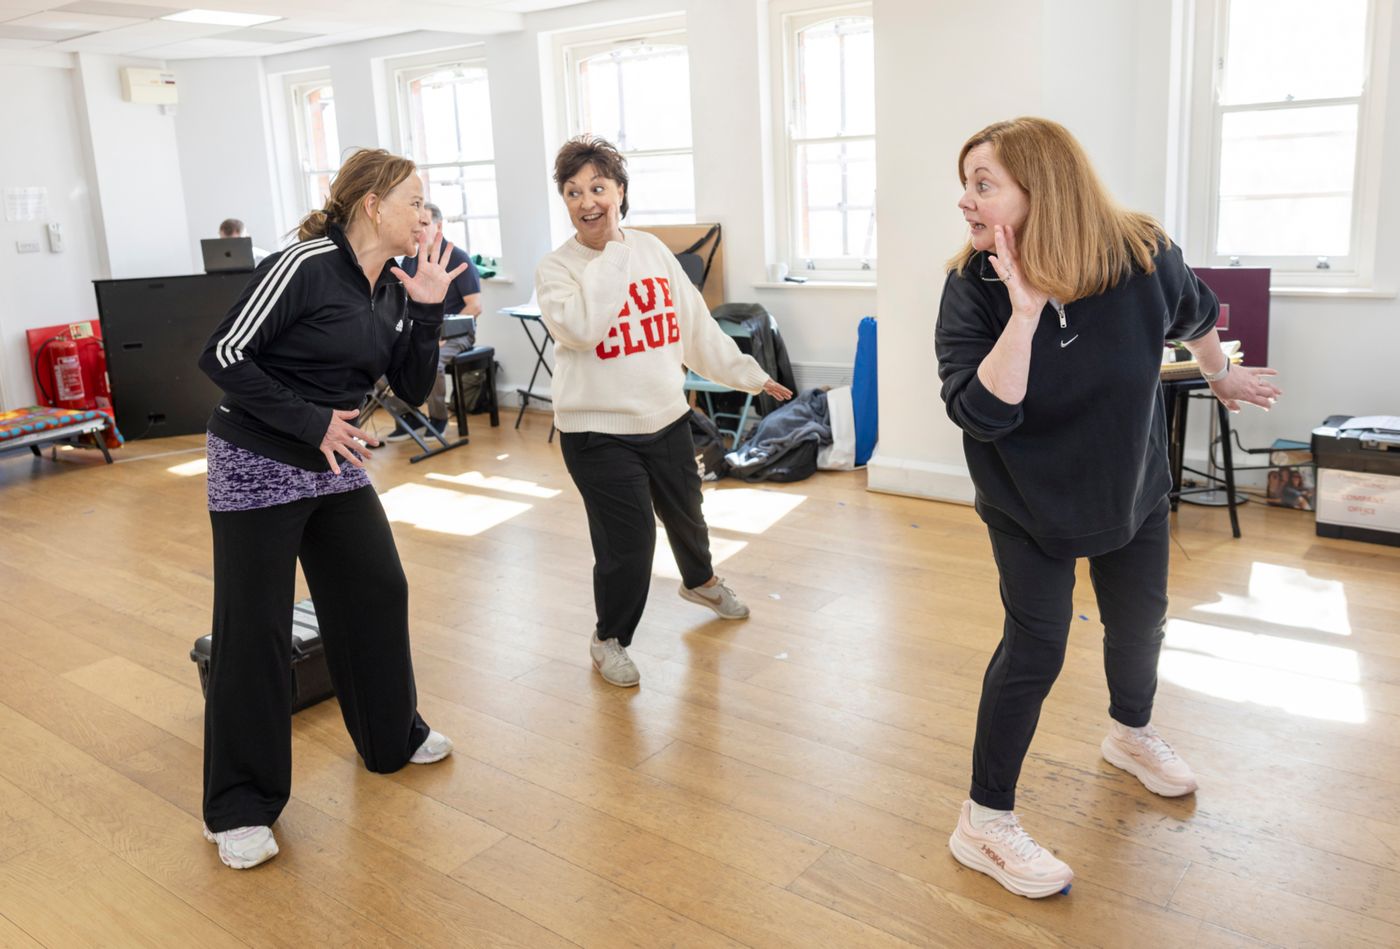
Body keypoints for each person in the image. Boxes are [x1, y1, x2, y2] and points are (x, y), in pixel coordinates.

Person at [934, 117, 1282, 899]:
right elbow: (983, 413)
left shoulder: (1140, 253)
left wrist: (1219, 374)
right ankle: (983, 821)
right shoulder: (974, 288)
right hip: (1027, 501)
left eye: (982, 183)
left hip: (1129, 486)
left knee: (1140, 623)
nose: (964, 199)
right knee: (1036, 649)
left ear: (1041, 189)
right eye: (966, 183)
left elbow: (1196, 310)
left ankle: (1130, 732)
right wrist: (1024, 314)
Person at [196, 148, 466, 870]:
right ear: (374, 205)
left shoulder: (390, 285)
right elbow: (221, 354)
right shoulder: (307, 263)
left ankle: (390, 737)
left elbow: (409, 387)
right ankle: (238, 806)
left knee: (377, 589)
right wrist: (313, 421)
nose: (426, 214)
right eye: (416, 200)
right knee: (253, 628)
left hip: (331, 458)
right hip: (258, 458)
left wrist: (429, 307)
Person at [535, 135, 793, 688]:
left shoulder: (651, 249)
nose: (587, 201)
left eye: (598, 187)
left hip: (665, 416)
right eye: (574, 191)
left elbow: (694, 326)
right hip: (595, 430)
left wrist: (749, 374)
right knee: (628, 546)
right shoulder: (557, 269)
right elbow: (583, 329)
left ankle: (699, 580)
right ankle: (609, 640)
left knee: (687, 514)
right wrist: (609, 255)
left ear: (620, 191)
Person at [387, 202, 483, 440]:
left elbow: (474, 306)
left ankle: (438, 419)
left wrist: (438, 334)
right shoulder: (410, 260)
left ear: (439, 226)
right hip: (421, 331)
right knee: (379, 362)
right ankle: (409, 418)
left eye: (425, 223)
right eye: (416, 223)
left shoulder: (459, 258)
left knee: (433, 362)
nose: (419, 229)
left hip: (456, 333)